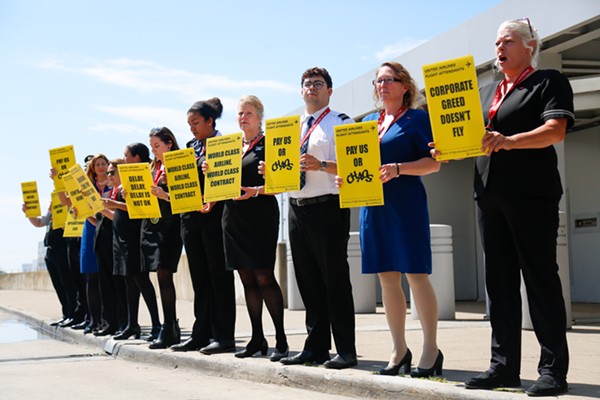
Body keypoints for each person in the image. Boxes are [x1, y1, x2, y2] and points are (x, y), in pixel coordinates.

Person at [444, 19, 572, 397]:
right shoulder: (485, 92)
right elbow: (472, 140)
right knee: (498, 284)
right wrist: (446, 150)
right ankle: (503, 368)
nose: (499, 48)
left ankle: (552, 371)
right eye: (497, 42)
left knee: (540, 279)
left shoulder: (547, 81)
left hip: (531, 195)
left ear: (530, 45)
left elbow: (555, 131)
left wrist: (510, 140)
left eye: (508, 41)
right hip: (489, 196)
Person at [345, 62, 442, 377]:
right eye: (378, 80)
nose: (383, 85)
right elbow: (355, 163)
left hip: (406, 204)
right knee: (386, 278)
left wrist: (399, 168)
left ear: (404, 85)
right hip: (373, 207)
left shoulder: (418, 118)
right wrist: (344, 177)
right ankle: (399, 349)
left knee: (415, 274)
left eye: (389, 79)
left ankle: (430, 349)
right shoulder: (368, 122)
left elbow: (433, 164)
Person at [279, 67, 357, 369]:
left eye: (318, 84)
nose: (312, 88)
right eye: (307, 84)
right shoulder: (289, 128)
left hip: (328, 208)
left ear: (329, 91)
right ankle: (316, 347)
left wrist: (321, 164)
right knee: (308, 282)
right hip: (297, 209)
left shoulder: (341, 123)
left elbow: (353, 167)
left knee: (334, 281)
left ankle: (346, 350)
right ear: (301, 91)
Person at [204, 95, 288, 360]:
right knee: (247, 279)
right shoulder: (228, 147)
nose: (243, 118)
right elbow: (220, 182)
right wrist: (209, 171)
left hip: (261, 214)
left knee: (264, 276)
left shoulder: (270, 143)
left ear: (260, 116)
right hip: (233, 217)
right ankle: (256, 338)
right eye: (240, 113)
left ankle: (281, 340)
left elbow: (283, 182)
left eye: (248, 113)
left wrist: (256, 190)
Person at [170, 98, 237, 354]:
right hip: (190, 218)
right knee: (199, 277)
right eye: (189, 124)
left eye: (196, 123)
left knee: (218, 275)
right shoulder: (190, 147)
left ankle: (223, 336)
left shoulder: (226, 145)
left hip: (216, 218)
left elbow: (229, 180)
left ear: (210, 121)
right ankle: (201, 333)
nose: (192, 128)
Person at [102, 156, 162, 341]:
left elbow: (137, 208)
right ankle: (131, 324)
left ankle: (156, 324)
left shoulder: (128, 189)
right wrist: (101, 207)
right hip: (120, 240)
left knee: (142, 281)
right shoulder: (115, 192)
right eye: (108, 173)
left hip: (133, 239)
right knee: (129, 283)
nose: (109, 176)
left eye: (112, 172)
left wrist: (115, 204)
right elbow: (115, 214)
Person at [143, 127, 184, 349]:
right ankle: (169, 327)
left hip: (172, 225)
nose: (154, 150)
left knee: (164, 272)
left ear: (169, 143)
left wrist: (165, 193)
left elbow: (186, 196)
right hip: (153, 226)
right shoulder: (153, 167)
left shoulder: (178, 163)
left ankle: (169, 327)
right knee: (159, 275)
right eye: (151, 147)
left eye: (156, 146)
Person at [22, 203, 78, 327]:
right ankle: (66, 315)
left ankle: (73, 315)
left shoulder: (69, 204)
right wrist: (29, 213)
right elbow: (40, 223)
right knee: (58, 285)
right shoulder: (54, 204)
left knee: (67, 284)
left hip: (62, 248)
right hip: (50, 250)